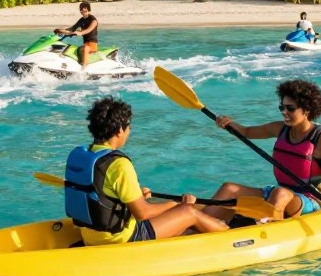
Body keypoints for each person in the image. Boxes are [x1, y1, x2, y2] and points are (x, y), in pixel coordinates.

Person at [64, 97, 228, 245]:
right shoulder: (118, 164)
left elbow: (102, 194)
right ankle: (231, 236)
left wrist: (140, 198)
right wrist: (175, 205)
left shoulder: (83, 156)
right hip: (119, 239)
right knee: (188, 211)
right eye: (128, 126)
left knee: (169, 209)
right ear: (119, 130)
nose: (129, 131)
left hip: (91, 236)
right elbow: (143, 213)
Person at [202, 79, 321, 222]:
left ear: (307, 110)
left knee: (280, 194)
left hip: (309, 201)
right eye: (282, 107)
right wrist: (228, 123)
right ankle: (197, 229)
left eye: (290, 108)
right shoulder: (280, 129)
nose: (284, 112)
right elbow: (246, 132)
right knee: (229, 188)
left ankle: (265, 230)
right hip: (278, 192)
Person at [54, 1, 99, 69]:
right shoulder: (81, 20)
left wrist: (80, 33)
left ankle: (84, 69)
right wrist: (61, 31)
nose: (81, 10)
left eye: (83, 8)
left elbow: (88, 30)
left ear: (88, 9)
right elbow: (72, 29)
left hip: (92, 46)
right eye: (80, 8)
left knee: (86, 48)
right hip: (85, 44)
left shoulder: (93, 20)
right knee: (70, 47)